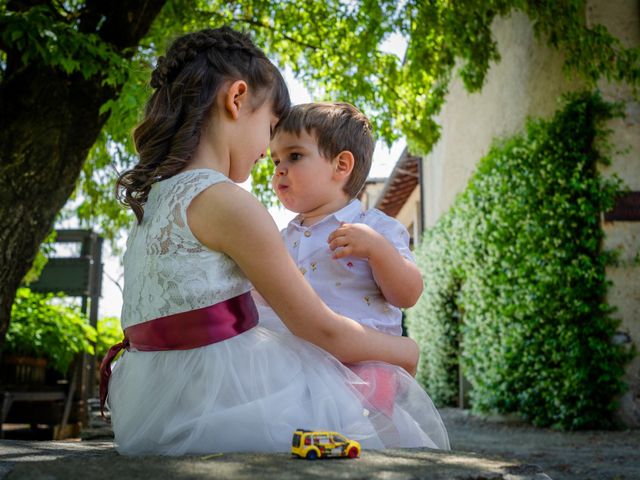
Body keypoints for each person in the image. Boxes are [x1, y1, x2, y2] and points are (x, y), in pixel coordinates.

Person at [102, 27, 449, 456]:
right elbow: (320, 328)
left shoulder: (154, 202)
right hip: (218, 398)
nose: (267, 153)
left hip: (152, 402)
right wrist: (405, 349)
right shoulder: (229, 203)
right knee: (342, 418)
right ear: (236, 99)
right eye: (269, 128)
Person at [257, 102, 443, 432]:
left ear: (341, 165)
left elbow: (409, 293)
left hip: (364, 367)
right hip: (301, 364)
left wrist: (378, 251)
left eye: (294, 156)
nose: (279, 170)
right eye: (275, 161)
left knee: (362, 436)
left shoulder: (375, 227)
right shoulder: (281, 238)